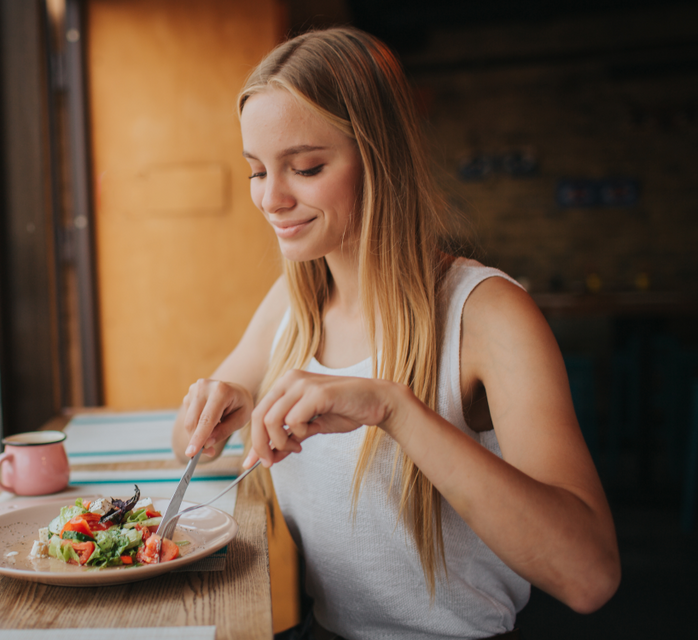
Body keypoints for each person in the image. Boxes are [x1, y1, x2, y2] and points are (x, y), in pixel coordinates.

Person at [172, 26, 620, 640]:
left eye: (305, 167)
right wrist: (214, 405)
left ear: (380, 158)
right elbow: (188, 446)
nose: (271, 199)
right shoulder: (293, 304)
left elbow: (589, 576)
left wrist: (393, 408)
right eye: (256, 171)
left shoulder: (488, 314)